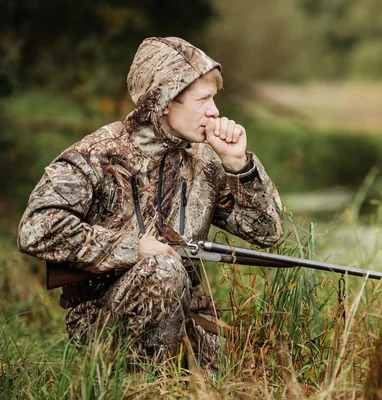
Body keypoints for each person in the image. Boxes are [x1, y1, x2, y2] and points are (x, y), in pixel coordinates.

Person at [16, 37, 284, 373]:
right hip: (106, 327)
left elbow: (268, 233)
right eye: (203, 100)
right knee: (163, 268)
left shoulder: (205, 161)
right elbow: (35, 229)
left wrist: (238, 165)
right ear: (164, 102)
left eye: (213, 99)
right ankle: (142, 386)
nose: (215, 111)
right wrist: (131, 248)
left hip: (191, 323)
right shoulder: (96, 154)